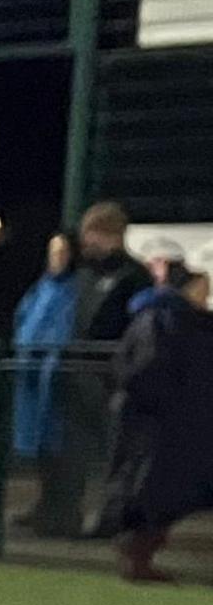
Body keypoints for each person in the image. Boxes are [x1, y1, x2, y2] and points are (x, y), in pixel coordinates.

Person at [34, 200, 152, 535]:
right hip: (78, 374)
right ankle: (60, 515)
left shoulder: (134, 276)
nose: (85, 243)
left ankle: (113, 520)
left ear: (110, 234)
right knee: (70, 451)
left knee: (116, 452)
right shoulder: (85, 271)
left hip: (112, 377)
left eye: (92, 235)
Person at [106, 256, 213, 582]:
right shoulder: (165, 318)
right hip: (166, 424)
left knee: (165, 491)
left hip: (174, 422)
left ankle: (139, 555)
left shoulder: (170, 318)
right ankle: (137, 555)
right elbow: (149, 371)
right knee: (157, 491)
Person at [11, 231, 77, 489]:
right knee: (35, 441)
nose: (56, 258)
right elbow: (24, 318)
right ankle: (44, 497)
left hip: (53, 372)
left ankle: (54, 501)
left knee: (53, 441)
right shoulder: (43, 285)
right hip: (30, 369)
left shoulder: (72, 287)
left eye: (61, 252)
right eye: (53, 252)